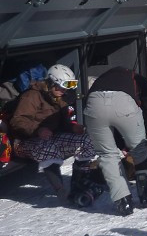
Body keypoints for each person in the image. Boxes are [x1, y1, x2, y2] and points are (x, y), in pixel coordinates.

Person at [83, 67, 147, 216]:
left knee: (107, 155)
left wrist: (121, 144)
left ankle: (123, 202)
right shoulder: (139, 81)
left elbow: (109, 117)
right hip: (124, 105)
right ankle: (145, 195)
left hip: (94, 105)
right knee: (139, 149)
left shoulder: (102, 80)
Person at [8, 64, 95, 198]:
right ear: (51, 83)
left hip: (51, 137)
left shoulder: (59, 99)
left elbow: (64, 123)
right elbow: (17, 121)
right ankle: (61, 191)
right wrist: (38, 130)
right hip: (25, 142)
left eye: (66, 88)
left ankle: (79, 183)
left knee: (87, 141)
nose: (63, 91)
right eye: (61, 87)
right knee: (48, 147)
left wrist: (73, 128)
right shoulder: (32, 96)